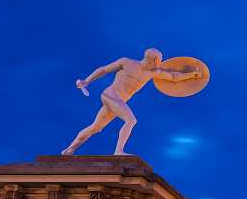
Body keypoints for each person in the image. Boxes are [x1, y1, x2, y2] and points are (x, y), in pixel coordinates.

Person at [62, 48, 201, 155]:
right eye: (159, 61)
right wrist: (87, 80)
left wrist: (193, 74)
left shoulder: (152, 72)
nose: (160, 64)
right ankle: (118, 151)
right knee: (131, 120)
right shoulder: (126, 62)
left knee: (95, 128)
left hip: (117, 101)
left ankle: (69, 149)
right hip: (110, 95)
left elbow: (173, 77)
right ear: (154, 60)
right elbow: (104, 70)